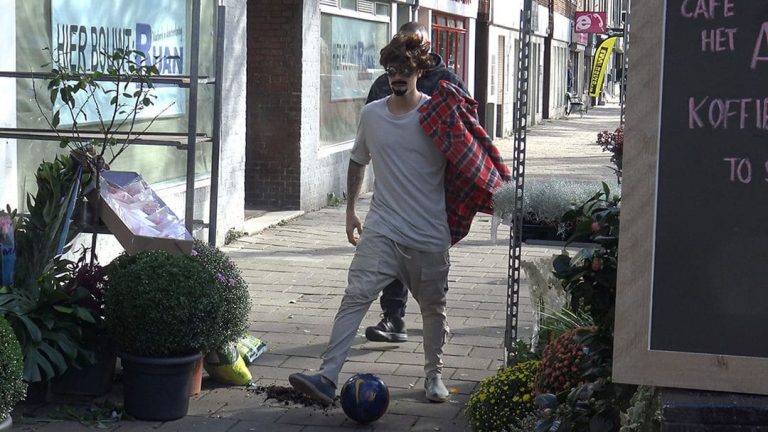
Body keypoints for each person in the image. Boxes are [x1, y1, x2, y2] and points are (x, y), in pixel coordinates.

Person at [289, 32, 454, 405]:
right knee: (355, 295)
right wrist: (350, 209)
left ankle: (434, 376)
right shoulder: (372, 114)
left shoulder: (436, 115)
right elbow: (358, 159)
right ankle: (327, 377)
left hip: (428, 232)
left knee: (433, 308)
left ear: (419, 71)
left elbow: (465, 162)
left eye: (405, 69)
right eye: (392, 69)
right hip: (383, 226)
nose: (398, 76)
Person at [363, 22, 468, 345]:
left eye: (415, 44)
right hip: (394, 190)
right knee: (392, 253)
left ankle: (436, 316)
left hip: (434, 189)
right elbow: (370, 127)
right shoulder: (384, 84)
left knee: (430, 258)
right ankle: (393, 318)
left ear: (427, 48)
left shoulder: (447, 82)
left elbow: (468, 130)